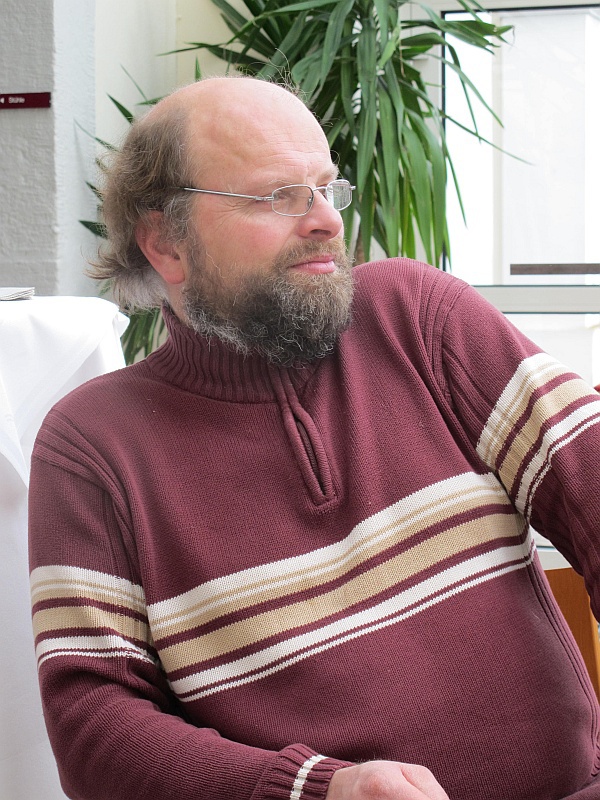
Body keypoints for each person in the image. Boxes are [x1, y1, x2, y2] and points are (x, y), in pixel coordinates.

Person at [28, 76, 600, 800]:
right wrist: (318, 790)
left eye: (327, 188)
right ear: (166, 243)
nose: (327, 220)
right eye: (278, 196)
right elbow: (94, 729)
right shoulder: (91, 447)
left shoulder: (419, 319)